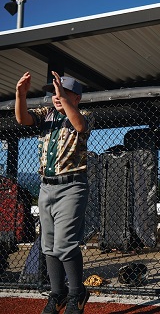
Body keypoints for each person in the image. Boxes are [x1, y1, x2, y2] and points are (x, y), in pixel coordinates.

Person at [15, 72, 93, 314]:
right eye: (54, 92)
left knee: (65, 244)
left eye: (63, 92)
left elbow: (79, 125)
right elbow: (22, 119)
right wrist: (21, 94)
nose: (56, 96)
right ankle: (57, 293)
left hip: (72, 186)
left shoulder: (84, 115)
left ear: (76, 98)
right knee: (48, 245)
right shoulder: (45, 115)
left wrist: (64, 100)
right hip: (46, 186)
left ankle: (76, 293)